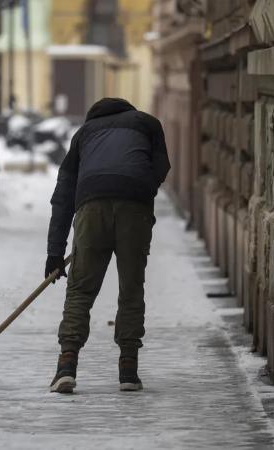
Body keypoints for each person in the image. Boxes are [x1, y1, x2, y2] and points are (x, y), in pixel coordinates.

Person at [44, 98, 170, 393]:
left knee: (80, 290)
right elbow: (161, 166)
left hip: (91, 208)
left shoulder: (84, 134)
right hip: (134, 209)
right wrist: (139, 187)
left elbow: (63, 195)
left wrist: (54, 251)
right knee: (131, 287)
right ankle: (128, 369)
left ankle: (66, 365)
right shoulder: (148, 123)